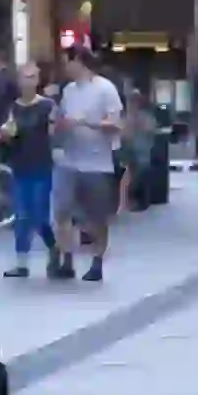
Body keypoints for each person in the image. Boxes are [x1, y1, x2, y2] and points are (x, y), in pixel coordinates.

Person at [50, 46, 123, 281]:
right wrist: (60, 126)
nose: (65, 67)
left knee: (96, 217)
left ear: (79, 61)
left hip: (97, 163)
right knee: (63, 212)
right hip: (70, 160)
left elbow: (117, 124)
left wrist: (88, 122)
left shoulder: (105, 89)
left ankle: (97, 262)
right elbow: (61, 120)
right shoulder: (68, 91)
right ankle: (67, 260)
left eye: (67, 62)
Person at [0, 62, 57, 277]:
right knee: (22, 215)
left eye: (32, 77)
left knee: (39, 215)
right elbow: (9, 128)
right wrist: (5, 134)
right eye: (25, 77)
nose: (28, 81)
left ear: (38, 80)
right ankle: (21, 262)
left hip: (42, 165)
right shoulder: (14, 107)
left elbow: (54, 133)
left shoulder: (47, 106)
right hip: (20, 164)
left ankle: (54, 246)